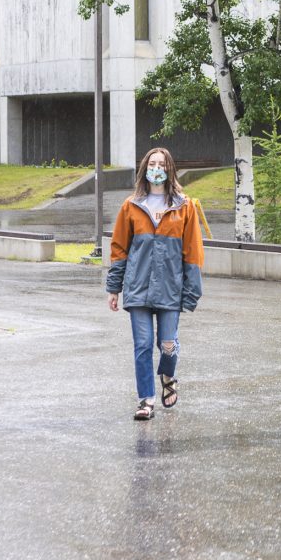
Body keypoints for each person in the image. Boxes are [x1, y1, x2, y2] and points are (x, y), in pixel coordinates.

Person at [107, 147, 204, 421]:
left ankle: (168, 375)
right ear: (145, 169)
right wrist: (114, 287)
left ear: (170, 169)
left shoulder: (184, 207)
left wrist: (191, 291)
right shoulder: (131, 206)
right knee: (143, 345)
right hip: (137, 288)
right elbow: (119, 248)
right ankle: (146, 400)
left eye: (162, 164)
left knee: (168, 344)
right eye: (153, 163)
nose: (157, 168)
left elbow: (193, 251)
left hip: (170, 289)